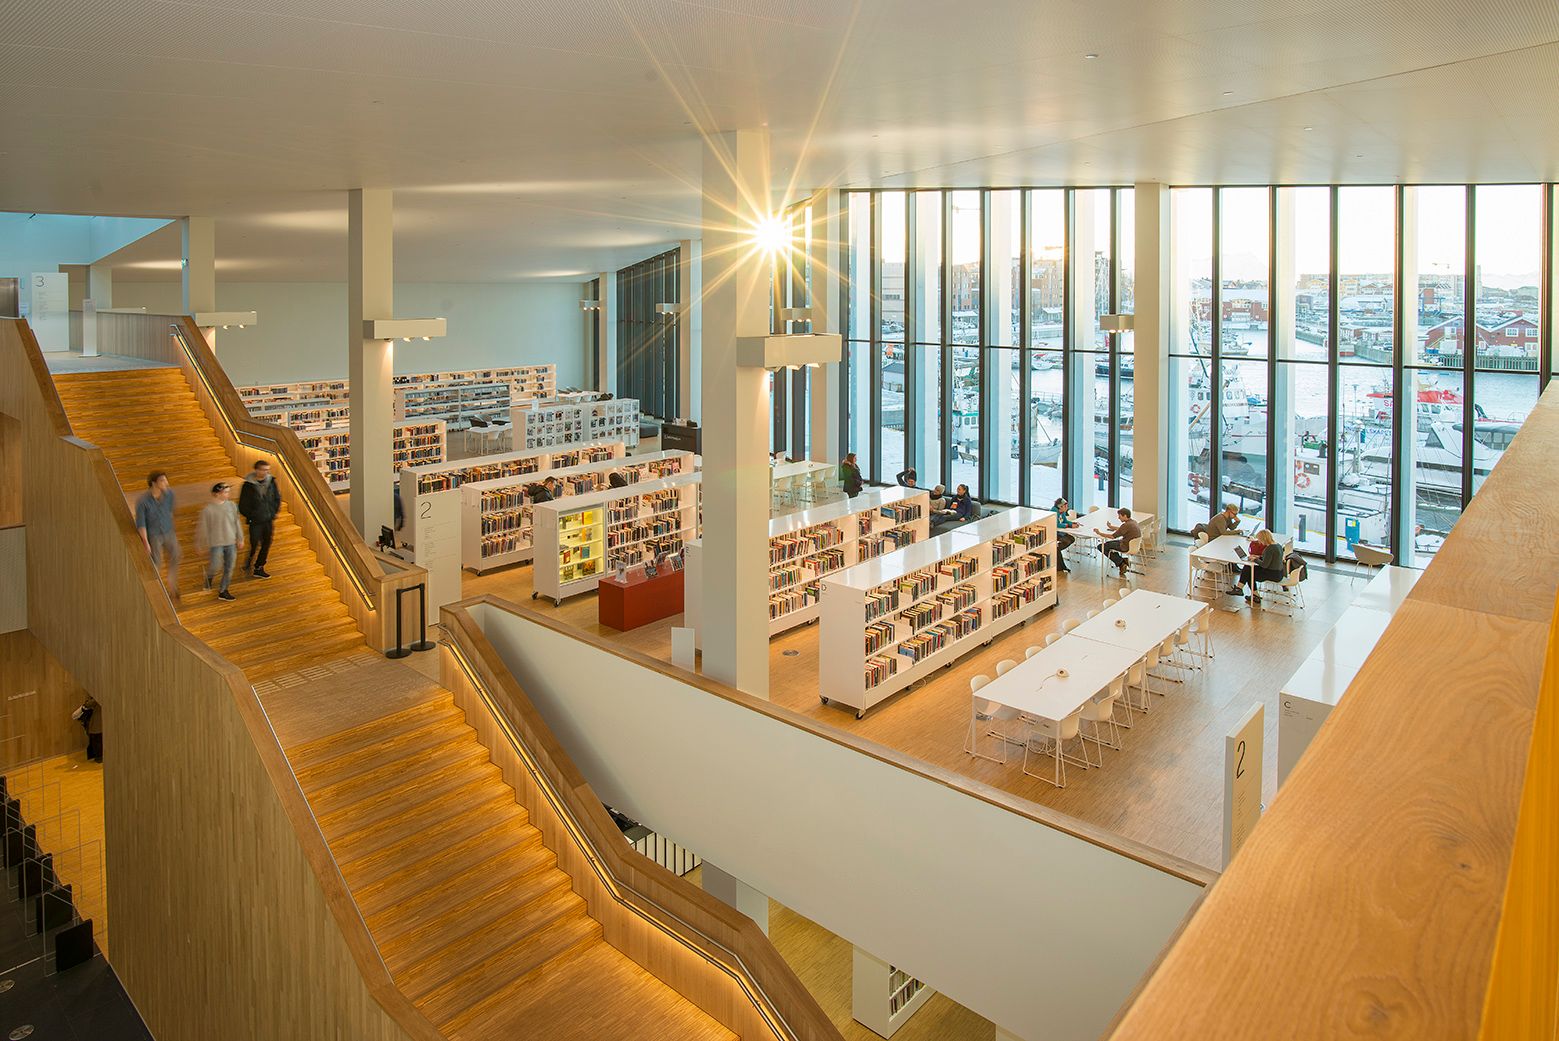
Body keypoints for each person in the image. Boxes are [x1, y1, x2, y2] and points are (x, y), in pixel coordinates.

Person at [135, 470, 181, 603]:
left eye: (166, 480)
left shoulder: (170, 494)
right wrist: (145, 542)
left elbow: (171, 512)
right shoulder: (143, 501)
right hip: (154, 535)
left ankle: (172, 584)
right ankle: (156, 591)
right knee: (156, 563)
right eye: (163, 481)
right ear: (154, 483)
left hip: (168, 531)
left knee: (176, 554)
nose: (166, 483)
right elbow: (141, 524)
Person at [197, 482, 244, 602]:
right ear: (217, 493)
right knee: (215, 566)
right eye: (226, 491)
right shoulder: (208, 510)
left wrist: (240, 538)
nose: (228, 494)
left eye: (228, 491)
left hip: (231, 541)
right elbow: (203, 528)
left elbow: (236, 522)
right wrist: (201, 544)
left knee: (230, 567)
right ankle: (209, 576)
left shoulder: (232, 506)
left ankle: (223, 591)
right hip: (216, 543)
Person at [238, 459, 281, 579]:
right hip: (255, 521)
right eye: (263, 470)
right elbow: (243, 505)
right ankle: (249, 561)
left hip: (268, 519)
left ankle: (259, 566)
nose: (266, 472)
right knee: (254, 543)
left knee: (267, 543)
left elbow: (277, 498)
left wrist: (273, 512)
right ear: (257, 470)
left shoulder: (271, 482)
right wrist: (252, 516)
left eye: (267, 470)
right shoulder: (248, 485)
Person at [1234, 529, 1288, 604]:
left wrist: (1255, 559)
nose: (1259, 541)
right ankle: (1240, 589)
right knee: (1248, 568)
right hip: (1279, 573)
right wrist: (1258, 557)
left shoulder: (1269, 548)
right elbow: (1269, 558)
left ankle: (1246, 591)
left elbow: (1264, 565)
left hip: (1272, 574)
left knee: (1250, 573)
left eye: (1259, 539)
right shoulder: (1277, 545)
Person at [1099, 507, 1142, 576]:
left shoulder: (1126, 525)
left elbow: (1112, 536)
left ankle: (1121, 562)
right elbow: (1121, 529)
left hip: (1125, 546)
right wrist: (1111, 527)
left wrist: (1099, 533)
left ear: (1124, 516)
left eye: (1120, 516)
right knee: (1107, 544)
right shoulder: (1133, 522)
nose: (1118, 518)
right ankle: (1122, 561)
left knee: (1101, 546)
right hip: (1132, 545)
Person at [1052, 497, 1077, 573]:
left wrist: (1072, 524)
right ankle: (1056, 551)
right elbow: (1057, 524)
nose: (1067, 507)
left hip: (1059, 532)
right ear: (1061, 507)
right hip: (1054, 533)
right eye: (1066, 506)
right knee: (1064, 542)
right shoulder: (1054, 512)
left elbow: (1065, 521)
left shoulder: (1062, 512)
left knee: (1071, 538)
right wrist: (1067, 526)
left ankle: (1057, 549)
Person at [75, 694, 102, 762]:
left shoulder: (97, 698)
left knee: (96, 741)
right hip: (100, 724)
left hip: (97, 725)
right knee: (98, 741)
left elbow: (87, 704)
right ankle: (99, 757)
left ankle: (99, 757)